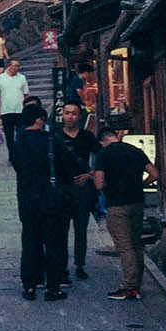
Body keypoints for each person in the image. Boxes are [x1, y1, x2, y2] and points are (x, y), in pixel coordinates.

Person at [9, 97, 64, 300]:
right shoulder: (49, 140)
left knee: (30, 241)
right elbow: (64, 164)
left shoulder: (17, 143)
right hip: (49, 198)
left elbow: (17, 167)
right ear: (40, 120)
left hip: (26, 198)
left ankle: (30, 286)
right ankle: (52, 287)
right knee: (53, 243)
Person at [96, 111, 154, 301]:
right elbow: (154, 174)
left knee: (125, 246)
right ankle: (137, 282)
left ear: (103, 141)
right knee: (137, 243)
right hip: (137, 201)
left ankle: (129, 286)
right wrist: (141, 185)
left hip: (116, 205)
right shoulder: (134, 150)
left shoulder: (104, 154)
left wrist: (106, 188)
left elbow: (98, 183)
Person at [49, 97, 99, 283]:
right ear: (62, 115)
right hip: (62, 188)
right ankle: (61, 265)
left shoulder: (87, 137)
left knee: (81, 228)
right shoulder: (54, 137)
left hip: (82, 187)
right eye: (67, 113)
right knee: (60, 229)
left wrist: (90, 174)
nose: (70, 117)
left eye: (74, 114)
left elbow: (99, 158)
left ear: (79, 116)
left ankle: (80, 264)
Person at [0, 55, 28, 158]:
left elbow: (26, 94)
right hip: (6, 111)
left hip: (20, 110)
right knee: (9, 135)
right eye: (14, 66)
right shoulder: (0, 78)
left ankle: (21, 154)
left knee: (21, 134)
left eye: (18, 66)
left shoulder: (22, 78)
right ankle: (12, 156)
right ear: (9, 66)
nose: (16, 68)